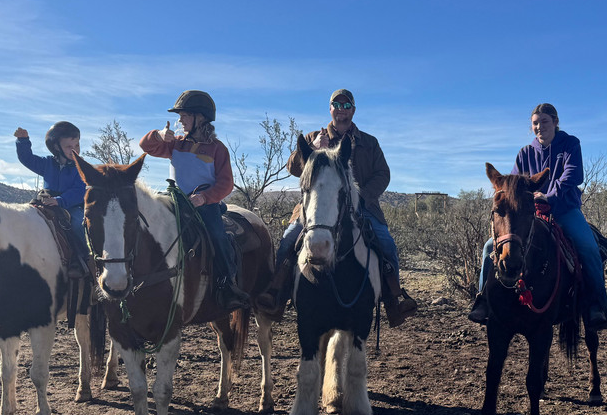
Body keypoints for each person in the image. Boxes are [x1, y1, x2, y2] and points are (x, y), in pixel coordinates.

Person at [255, 88, 418, 327]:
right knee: (289, 239)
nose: (341, 110)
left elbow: (383, 174)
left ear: (353, 109)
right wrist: (314, 147)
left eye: (346, 106)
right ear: (330, 109)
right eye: (336, 105)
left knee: (386, 244)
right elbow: (292, 167)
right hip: (316, 208)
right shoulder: (314, 137)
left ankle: (393, 300)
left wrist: (362, 196)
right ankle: (277, 295)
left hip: (361, 207)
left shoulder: (369, 143)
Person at [467, 103, 607, 330]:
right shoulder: (525, 153)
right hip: (532, 214)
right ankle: (484, 299)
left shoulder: (570, 144)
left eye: (544, 121)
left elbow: (573, 176)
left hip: (565, 210)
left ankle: (597, 305)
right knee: (489, 248)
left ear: (555, 122)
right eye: (535, 123)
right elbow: (513, 185)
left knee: (588, 247)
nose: (539, 127)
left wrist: (549, 196)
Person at [139, 90, 248, 311]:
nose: (180, 120)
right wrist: (159, 136)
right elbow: (146, 146)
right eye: (180, 116)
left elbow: (226, 184)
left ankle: (227, 284)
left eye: (185, 115)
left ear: (201, 118)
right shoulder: (176, 144)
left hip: (204, 205)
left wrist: (205, 198)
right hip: (174, 199)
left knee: (217, 235)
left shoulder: (218, 149)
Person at [14, 121, 89, 275]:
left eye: (77, 146)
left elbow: (78, 191)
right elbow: (27, 159)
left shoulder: (80, 168)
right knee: (25, 218)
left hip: (71, 205)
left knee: (78, 223)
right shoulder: (47, 163)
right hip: (46, 202)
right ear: (56, 147)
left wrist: (60, 201)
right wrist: (23, 141)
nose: (74, 150)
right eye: (69, 147)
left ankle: (84, 257)